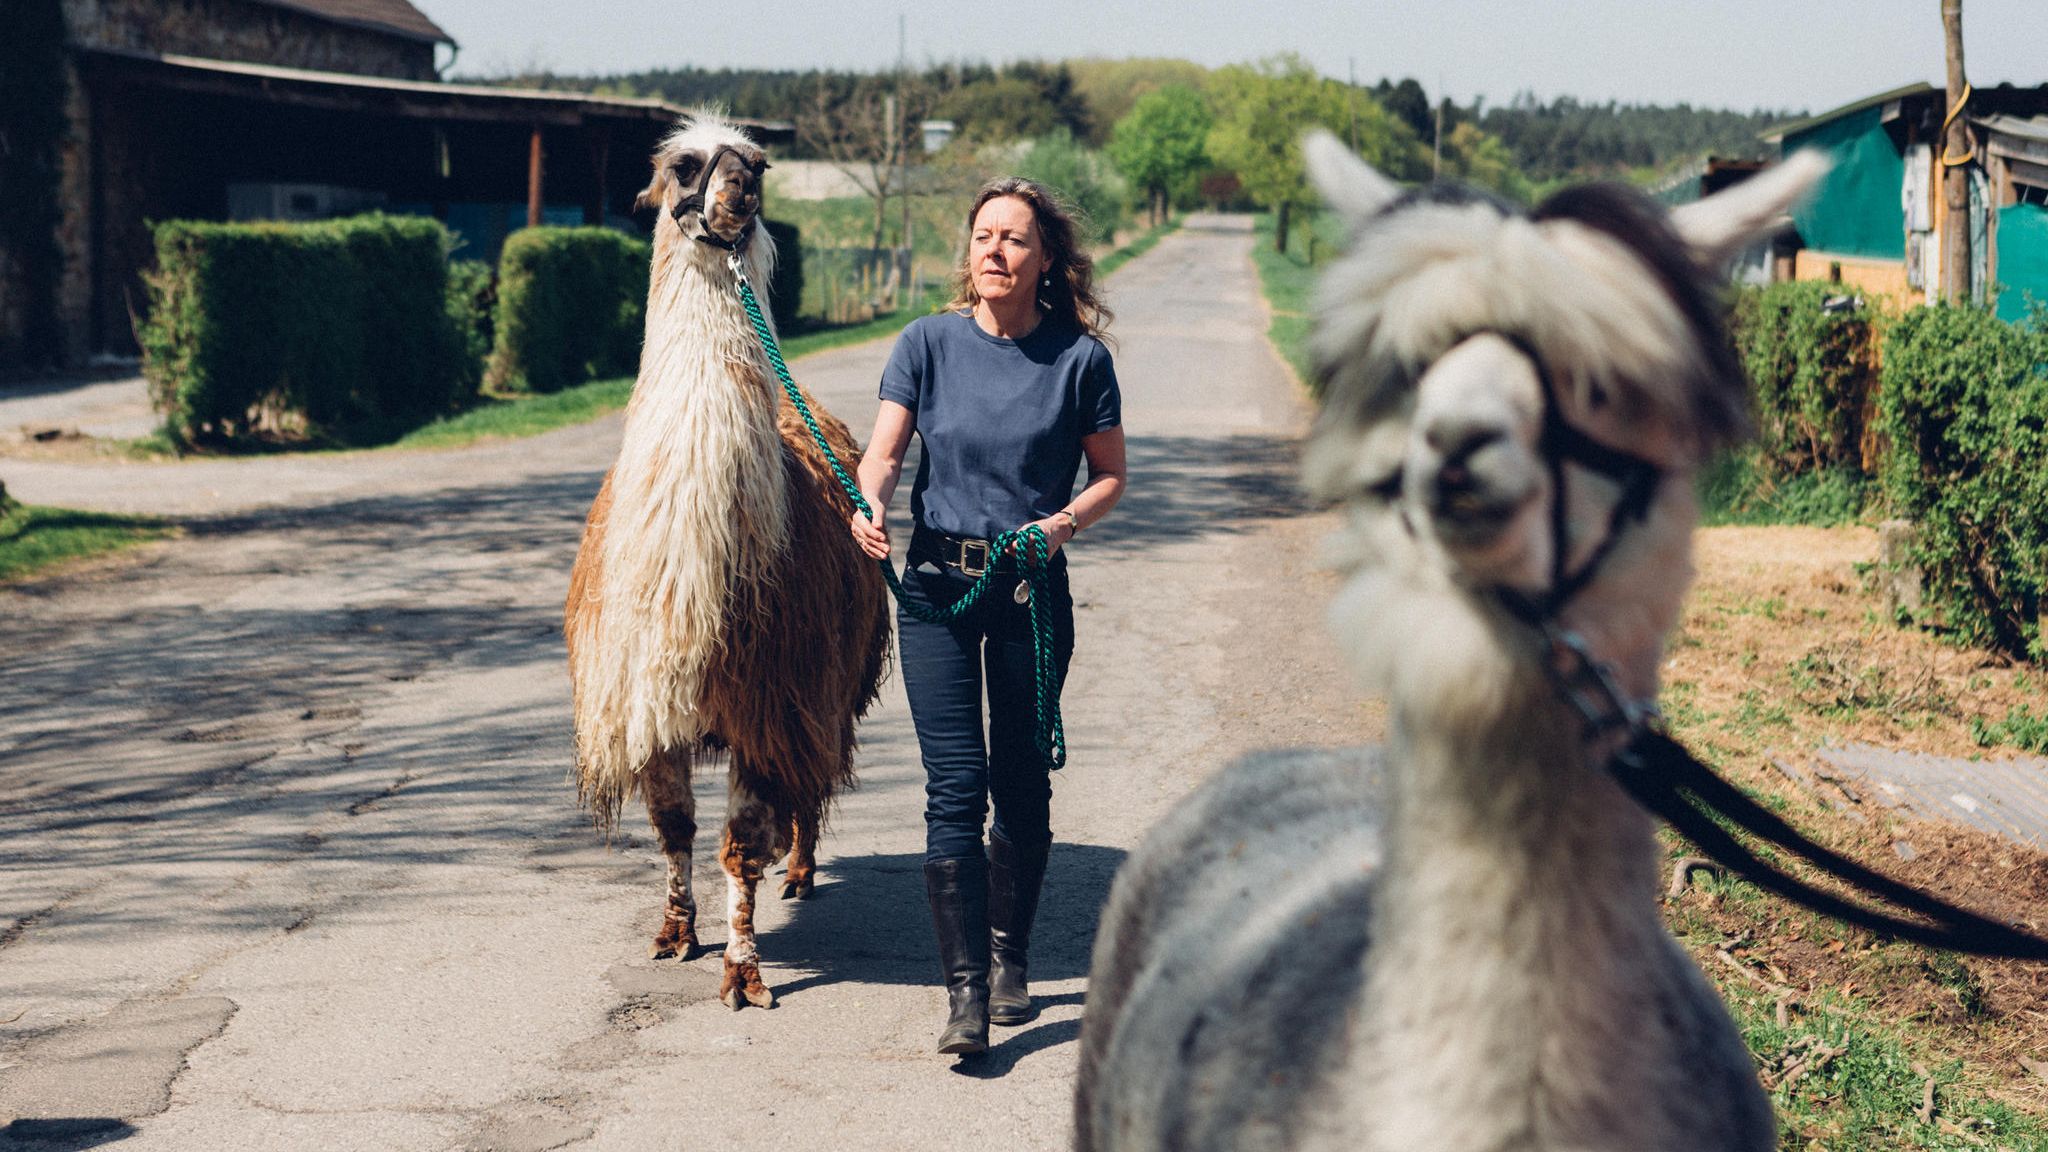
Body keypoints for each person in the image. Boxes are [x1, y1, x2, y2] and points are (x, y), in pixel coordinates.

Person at [851, 177, 1127, 1055]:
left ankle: (1010, 956)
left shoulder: (1080, 361)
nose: (994, 250)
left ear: (1046, 259)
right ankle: (965, 995)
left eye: (1013, 238)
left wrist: (1061, 526)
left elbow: (1111, 478)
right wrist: (871, 505)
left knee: (1020, 780)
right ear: (968, 253)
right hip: (936, 586)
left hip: (1026, 591)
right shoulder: (926, 345)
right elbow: (884, 455)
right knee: (954, 789)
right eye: (982, 236)